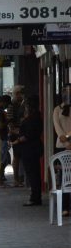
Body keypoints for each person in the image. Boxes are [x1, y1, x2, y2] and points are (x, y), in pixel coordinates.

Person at [14, 94, 44, 206]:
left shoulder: (31, 119)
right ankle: (36, 196)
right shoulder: (37, 117)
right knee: (34, 173)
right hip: (35, 147)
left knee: (32, 174)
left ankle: (35, 197)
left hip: (29, 148)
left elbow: (27, 135)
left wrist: (18, 140)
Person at [53, 85, 71, 216]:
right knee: (63, 177)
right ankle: (65, 207)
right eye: (65, 91)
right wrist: (64, 139)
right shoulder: (57, 109)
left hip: (69, 142)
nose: (67, 93)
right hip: (61, 145)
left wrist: (69, 138)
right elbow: (57, 126)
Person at [8, 85, 26, 186]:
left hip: (23, 132)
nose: (21, 95)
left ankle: (21, 178)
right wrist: (14, 130)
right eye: (19, 93)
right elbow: (9, 121)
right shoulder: (12, 105)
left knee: (22, 156)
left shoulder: (24, 104)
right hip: (16, 133)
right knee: (16, 156)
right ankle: (16, 179)